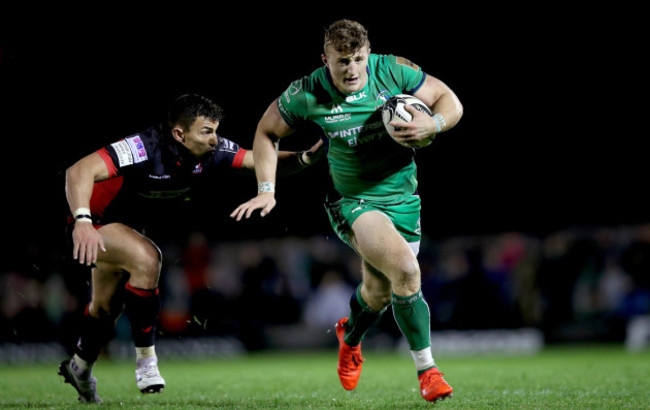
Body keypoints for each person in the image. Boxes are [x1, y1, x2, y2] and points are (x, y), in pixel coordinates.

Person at [231, 19, 463, 403]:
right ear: (326, 60)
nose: (352, 69)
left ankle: (350, 337)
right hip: (353, 202)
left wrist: (433, 123)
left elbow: (450, 99)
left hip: (404, 200)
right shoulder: (306, 92)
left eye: (358, 59)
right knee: (406, 271)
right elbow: (266, 131)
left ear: (368, 54)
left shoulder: (391, 70)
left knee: (380, 293)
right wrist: (267, 188)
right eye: (342, 61)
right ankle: (428, 371)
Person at [59, 93, 323, 403]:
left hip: (124, 227)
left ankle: (79, 367)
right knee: (148, 259)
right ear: (179, 134)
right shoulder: (143, 146)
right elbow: (78, 171)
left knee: (106, 309)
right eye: (206, 131)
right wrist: (82, 221)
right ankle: (146, 362)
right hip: (93, 223)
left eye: (216, 130)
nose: (215, 139)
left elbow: (257, 160)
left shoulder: (213, 150)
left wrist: (305, 158)